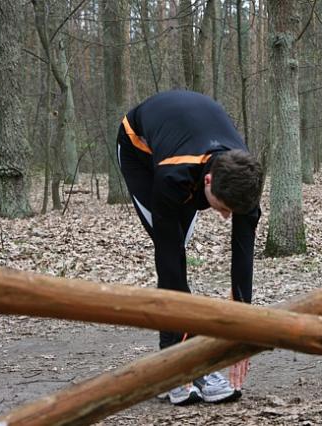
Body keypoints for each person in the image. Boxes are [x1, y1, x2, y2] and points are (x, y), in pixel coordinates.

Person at [116, 90, 262, 405]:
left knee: (178, 247)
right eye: (223, 208)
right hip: (139, 147)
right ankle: (176, 366)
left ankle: (180, 364)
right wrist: (192, 359)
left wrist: (243, 333)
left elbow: (242, 258)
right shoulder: (173, 176)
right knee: (173, 251)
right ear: (208, 182)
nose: (226, 217)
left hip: (187, 144)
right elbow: (169, 264)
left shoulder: (245, 178)